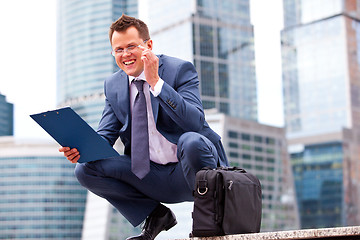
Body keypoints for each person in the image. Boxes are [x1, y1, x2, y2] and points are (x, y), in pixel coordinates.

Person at [59, 14, 228, 240]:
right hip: (149, 176)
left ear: (148, 46)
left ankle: (212, 217)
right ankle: (156, 215)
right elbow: (105, 137)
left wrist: (156, 82)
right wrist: (82, 149)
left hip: (193, 172)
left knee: (192, 141)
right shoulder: (113, 85)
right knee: (85, 169)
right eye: (118, 50)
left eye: (131, 46)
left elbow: (195, 122)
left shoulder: (180, 70)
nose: (125, 54)